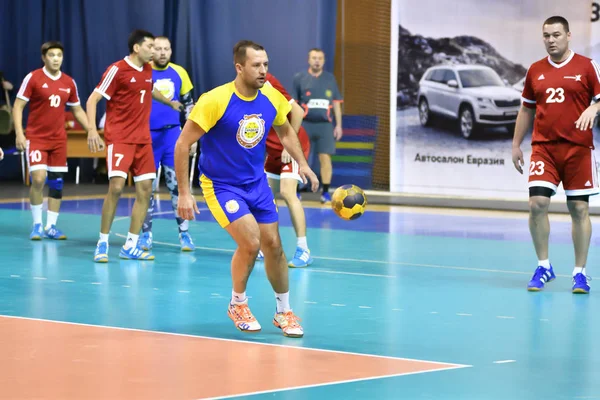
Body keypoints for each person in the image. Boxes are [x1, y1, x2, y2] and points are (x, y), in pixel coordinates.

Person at [174, 40, 319, 337]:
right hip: (221, 186)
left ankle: (283, 312)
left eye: (266, 64)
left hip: (256, 184)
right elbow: (183, 144)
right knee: (251, 242)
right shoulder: (215, 100)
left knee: (275, 247)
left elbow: (285, 129)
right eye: (256, 65)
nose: (263, 70)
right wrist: (185, 193)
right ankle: (238, 303)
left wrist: (303, 163)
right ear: (239, 68)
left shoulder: (272, 97)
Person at [512, 16, 600, 294]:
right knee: (537, 203)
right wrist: (516, 144)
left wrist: (594, 108)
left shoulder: (587, 67)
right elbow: (526, 109)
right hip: (544, 149)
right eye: (546, 36)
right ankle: (544, 266)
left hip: (578, 150)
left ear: (568, 36)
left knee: (579, 209)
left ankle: (580, 273)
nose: (551, 40)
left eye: (556, 35)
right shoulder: (535, 71)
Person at [86, 29, 183, 262]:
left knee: (145, 191)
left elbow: (150, 90)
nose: (154, 50)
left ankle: (130, 244)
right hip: (120, 138)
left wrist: (170, 103)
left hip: (143, 140)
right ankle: (102, 242)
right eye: (150, 46)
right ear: (137, 48)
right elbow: (93, 99)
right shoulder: (117, 70)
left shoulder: (148, 70)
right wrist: (91, 129)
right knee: (117, 188)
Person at [12, 41, 89, 240]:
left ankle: (51, 226)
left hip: (58, 141)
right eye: (52, 55)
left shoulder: (69, 82)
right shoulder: (33, 78)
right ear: (44, 58)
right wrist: (20, 134)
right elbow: (18, 106)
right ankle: (37, 224)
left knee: (56, 184)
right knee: (38, 179)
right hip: (37, 138)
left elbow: (77, 109)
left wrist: (91, 130)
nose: (56, 59)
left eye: (59, 55)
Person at [139, 35, 196, 252]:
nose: (162, 52)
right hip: (147, 138)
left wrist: (191, 139)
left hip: (172, 137)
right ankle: (145, 235)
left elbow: (190, 106)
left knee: (178, 187)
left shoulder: (180, 72)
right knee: (147, 189)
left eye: (166, 49)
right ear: (151, 51)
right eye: (158, 49)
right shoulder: (142, 71)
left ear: (171, 51)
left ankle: (184, 234)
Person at [259, 72, 313, 267]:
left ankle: (303, 249)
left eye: (263, 64)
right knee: (265, 196)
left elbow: (298, 111)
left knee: (287, 192)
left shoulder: (268, 83)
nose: (261, 69)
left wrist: (289, 145)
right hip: (272, 149)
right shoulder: (240, 91)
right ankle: (266, 244)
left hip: (292, 146)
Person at [293, 48, 343, 203]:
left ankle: (326, 192)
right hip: (305, 125)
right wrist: (293, 128)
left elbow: (336, 104)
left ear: (324, 60)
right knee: (300, 158)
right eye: (314, 58)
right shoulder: (299, 78)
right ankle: (296, 191)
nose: (317, 60)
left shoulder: (330, 79)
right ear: (309, 59)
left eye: (320, 58)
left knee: (325, 158)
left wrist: (338, 125)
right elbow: (294, 105)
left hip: (325, 126)